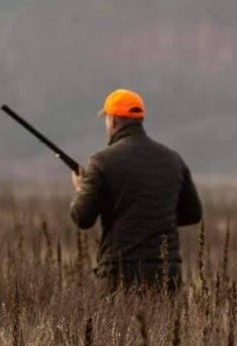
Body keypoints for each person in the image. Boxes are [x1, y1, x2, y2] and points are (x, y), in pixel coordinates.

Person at [69, 89, 202, 292]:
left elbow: (82, 217)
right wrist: (155, 216)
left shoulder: (102, 161)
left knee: (117, 325)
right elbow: (193, 214)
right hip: (166, 273)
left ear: (113, 121)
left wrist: (80, 189)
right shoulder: (173, 159)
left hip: (119, 273)